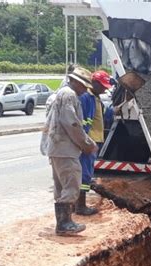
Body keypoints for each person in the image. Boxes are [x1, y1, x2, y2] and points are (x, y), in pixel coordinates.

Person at [41, 66, 98, 235]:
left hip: (58, 148)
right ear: (76, 82)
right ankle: (65, 224)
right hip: (65, 148)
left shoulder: (63, 94)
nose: (84, 91)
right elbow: (72, 123)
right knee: (72, 184)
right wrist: (87, 144)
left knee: (61, 186)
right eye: (84, 86)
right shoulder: (68, 95)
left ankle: (63, 224)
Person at [76, 70, 113, 216]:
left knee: (87, 172)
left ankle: (77, 204)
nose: (105, 89)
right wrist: (84, 142)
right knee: (84, 174)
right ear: (94, 83)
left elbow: (104, 116)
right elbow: (80, 121)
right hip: (88, 142)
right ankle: (80, 206)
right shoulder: (86, 97)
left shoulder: (96, 99)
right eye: (102, 86)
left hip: (94, 140)